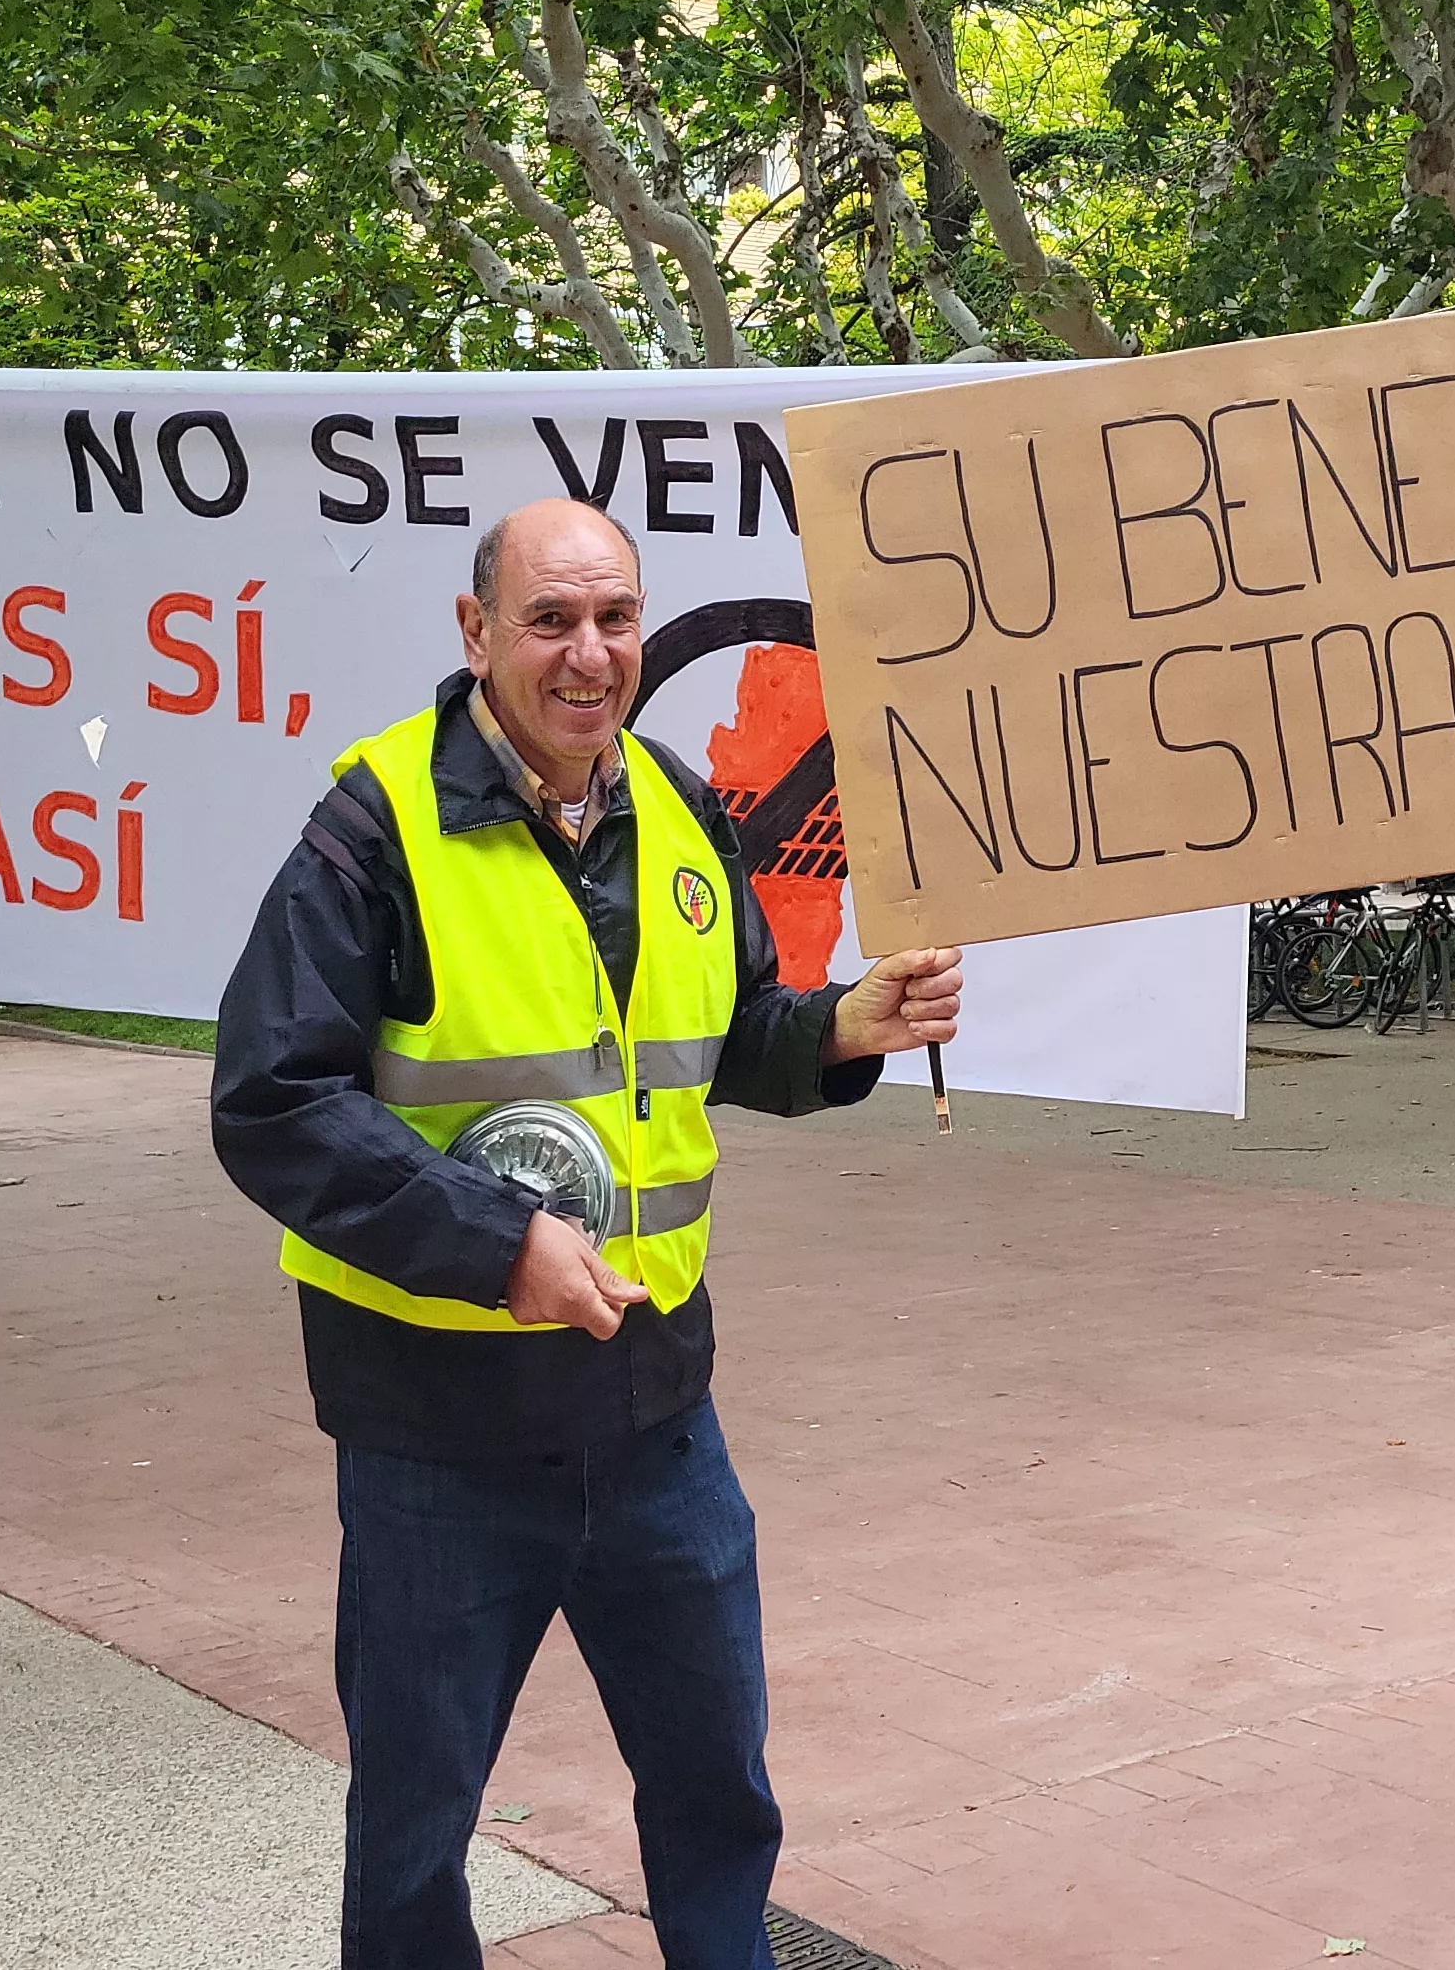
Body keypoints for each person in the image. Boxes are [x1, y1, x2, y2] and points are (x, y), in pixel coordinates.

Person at [209, 499, 964, 1970]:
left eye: (614, 618)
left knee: (716, 1792)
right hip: (441, 1432)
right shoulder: (374, 829)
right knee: (419, 1825)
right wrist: (499, 1247)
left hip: (658, 1415)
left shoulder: (677, 805)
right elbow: (272, 1102)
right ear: (476, 631)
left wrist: (841, 1031)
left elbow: (727, 1035)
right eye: (551, 620)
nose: (590, 653)